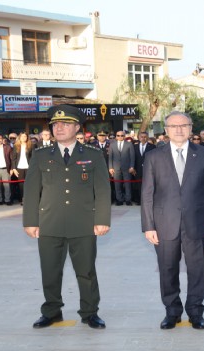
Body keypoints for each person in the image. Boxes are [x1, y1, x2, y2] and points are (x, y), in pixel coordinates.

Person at [23, 104, 111, 330]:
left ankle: (90, 312)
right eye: (55, 124)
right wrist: (31, 221)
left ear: (77, 128)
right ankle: (52, 311)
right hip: (49, 223)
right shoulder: (41, 155)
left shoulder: (93, 155)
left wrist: (102, 219)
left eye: (65, 124)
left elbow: (102, 189)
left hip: (83, 223)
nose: (59, 127)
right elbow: (32, 190)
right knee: (50, 271)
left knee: (86, 271)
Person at [141, 111, 204, 330]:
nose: (178, 130)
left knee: (198, 270)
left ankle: (195, 311)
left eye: (183, 125)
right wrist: (148, 226)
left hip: (198, 223)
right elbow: (147, 194)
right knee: (167, 270)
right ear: (165, 131)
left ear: (191, 128)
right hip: (164, 224)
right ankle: (172, 312)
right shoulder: (153, 156)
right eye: (173, 126)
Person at [108, 130, 135, 206]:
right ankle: (119, 199)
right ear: (116, 136)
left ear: (124, 136)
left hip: (127, 167)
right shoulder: (112, 145)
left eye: (122, 135)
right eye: (118, 135)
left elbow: (132, 156)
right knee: (117, 185)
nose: (120, 137)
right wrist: (110, 167)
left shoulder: (129, 144)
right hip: (116, 168)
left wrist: (132, 166)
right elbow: (110, 157)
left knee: (127, 184)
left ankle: (128, 199)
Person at [132, 131, 155, 205]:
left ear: (147, 137)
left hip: (148, 170)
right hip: (137, 170)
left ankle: (147, 200)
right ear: (138, 137)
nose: (143, 138)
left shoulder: (152, 147)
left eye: (145, 137)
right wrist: (132, 168)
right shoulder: (134, 147)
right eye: (141, 137)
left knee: (148, 186)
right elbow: (132, 158)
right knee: (138, 186)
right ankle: (139, 200)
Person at [10, 132, 32, 204]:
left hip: (28, 167)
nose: (23, 138)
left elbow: (33, 157)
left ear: (27, 137)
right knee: (21, 185)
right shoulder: (16, 146)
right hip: (19, 167)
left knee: (28, 184)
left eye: (25, 136)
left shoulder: (31, 146)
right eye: (22, 136)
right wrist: (14, 169)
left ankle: (28, 199)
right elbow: (13, 158)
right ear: (19, 137)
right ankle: (22, 199)